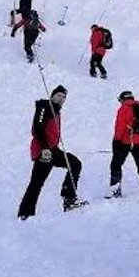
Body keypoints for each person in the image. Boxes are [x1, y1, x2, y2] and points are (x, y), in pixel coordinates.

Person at [17, 85, 86, 219]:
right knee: (36, 183)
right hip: (44, 151)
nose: (61, 99)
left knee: (75, 164)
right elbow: (38, 129)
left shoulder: (56, 111)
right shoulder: (44, 107)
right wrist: (45, 149)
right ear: (52, 95)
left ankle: (69, 199)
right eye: (59, 95)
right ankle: (25, 213)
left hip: (53, 150)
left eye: (64, 97)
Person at [108, 91, 139, 198]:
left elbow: (120, 126)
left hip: (126, 140)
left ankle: (116, 190)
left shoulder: (124, 108)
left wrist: (116, 141)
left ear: (122, 99)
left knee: (116, 164)